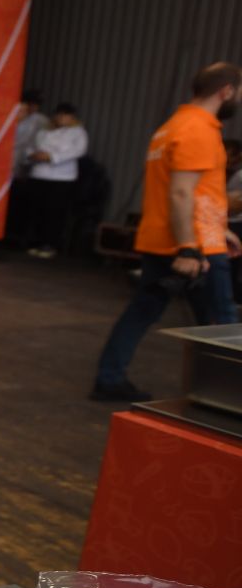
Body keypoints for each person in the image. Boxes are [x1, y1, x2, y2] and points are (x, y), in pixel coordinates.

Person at [90, 63, 242, 402]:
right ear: (226, 90)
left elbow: (194, 192)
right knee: (221, 323)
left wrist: (219, 228)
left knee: (143, 310)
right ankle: (228, 399)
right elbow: (181, 193)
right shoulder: (199, 130)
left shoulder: (171, 127)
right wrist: (190, 246)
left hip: (167, 239)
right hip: (193, 246)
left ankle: (109, 377)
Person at [23, 102, 88, 258]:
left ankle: (50, 244)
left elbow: (78, 150)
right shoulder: (44, 131)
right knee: (38, 210)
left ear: (72, 117)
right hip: (40, 174)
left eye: (66, 115)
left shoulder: (78, 132)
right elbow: (30, 146)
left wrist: (52, 157)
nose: (61, 118)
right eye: (59, 114)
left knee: (55, 212)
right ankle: (36, 241)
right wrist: (33, 155)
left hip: (62, 177)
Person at [5, 88, 47, 245]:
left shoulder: (41, 121)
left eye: (35, 105)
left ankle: (18, 237)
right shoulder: (12, 116)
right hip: (8, 162)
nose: (32, 108)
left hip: (27, 165)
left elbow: (40, 143)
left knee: (21, 203)